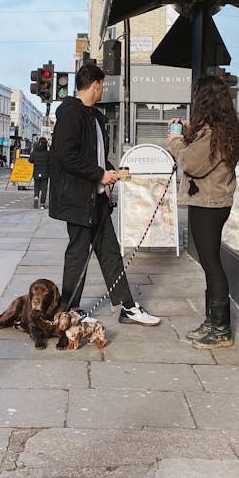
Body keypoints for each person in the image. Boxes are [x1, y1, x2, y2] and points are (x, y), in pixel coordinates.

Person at [49, 63, 160, 326]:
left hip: (95, 199)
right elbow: (65, 155)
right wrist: (99, 174)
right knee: (77, 253)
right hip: (77, 199)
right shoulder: (70, 113)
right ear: (96, 84)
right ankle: (70, 309)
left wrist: (110, 171)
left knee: (110, 251)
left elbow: (93, 156)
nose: (103, 90)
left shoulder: (94, 116)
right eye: (103, 85)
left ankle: (127, 307)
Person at [168, 75, 239, 349]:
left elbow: (190, 163)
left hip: (209, 204)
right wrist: (187, 130)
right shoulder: (220, 130)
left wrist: (175, 140)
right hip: (213, 202)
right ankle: (213, 321)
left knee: (211, 262)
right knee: (208, 261)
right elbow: (201, 150)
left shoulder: (212, 134)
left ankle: (221, 329)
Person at [29, 137, 50, 209]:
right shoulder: (47, 153)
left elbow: (30, 160)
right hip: (45, 173)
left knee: (36, 187)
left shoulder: (34, 152)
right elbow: (51, 162)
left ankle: (36, 197)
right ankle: (42, 204)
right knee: (44, 189)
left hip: (36, 172)